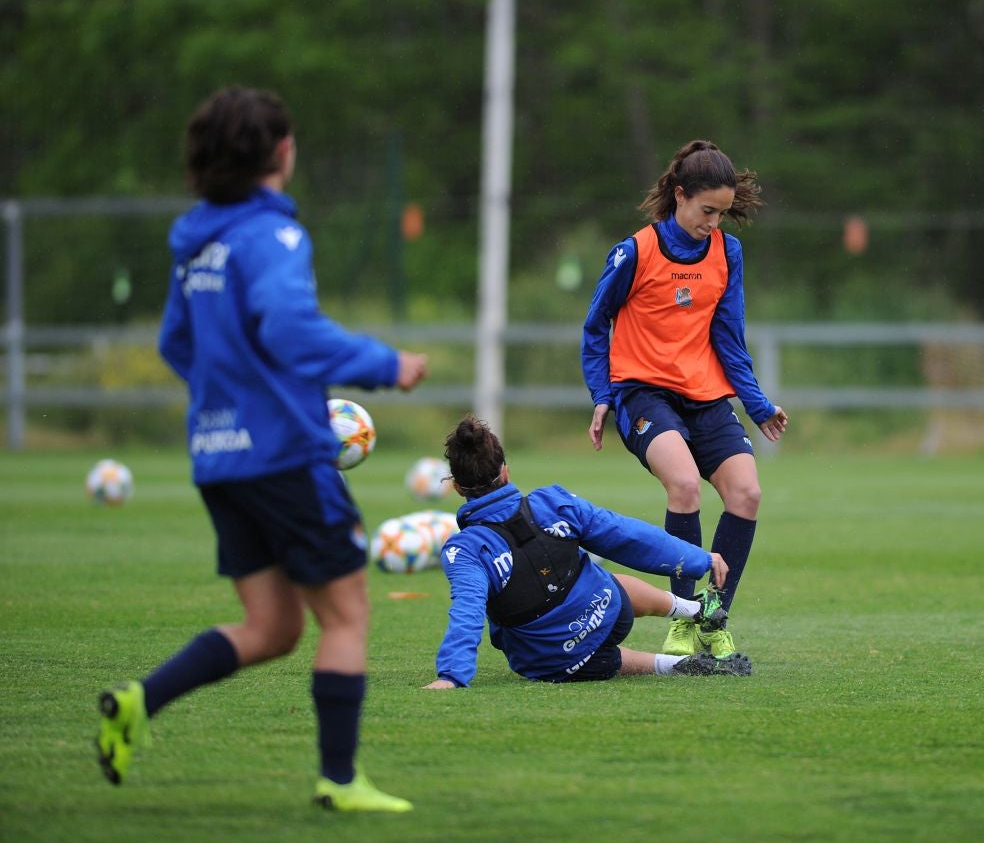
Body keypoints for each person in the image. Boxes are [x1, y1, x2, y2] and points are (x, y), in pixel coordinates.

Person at [95, 87, 428, 813]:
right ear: (281, 152)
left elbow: (175, 344)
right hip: (282, 455)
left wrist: (229, 401)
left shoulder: (199, 242)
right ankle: (340, 783)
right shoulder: (271, 237)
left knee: (272, 628)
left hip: (220, 460)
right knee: (345, 616)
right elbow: (289, 330)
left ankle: (136, 702)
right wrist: (384, 363)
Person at [580, 140, 788, 658]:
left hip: (705, 396)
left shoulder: (726, 253)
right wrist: (602, 394)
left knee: (746, 494)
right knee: (684, 483)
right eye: (707, 211)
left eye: (722, 213)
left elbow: (729, 338)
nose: (714, 222)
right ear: (679, 195)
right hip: (642, 393)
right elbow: (594, 326)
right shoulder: (636, 251)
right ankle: (683, 616)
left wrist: (757, 404)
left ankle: (714, 619)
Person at [422, 416, 752, 688]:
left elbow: (467, 610)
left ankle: (673, 664)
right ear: (506, 471)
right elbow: (626, 536)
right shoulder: (552, 502)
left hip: (550, 660)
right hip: (609, 613)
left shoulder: (464, 549)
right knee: (603, 581)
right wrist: (698, 558)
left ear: (457, 487)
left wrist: (451, 676)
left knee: (581, 657)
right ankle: (694, 610)